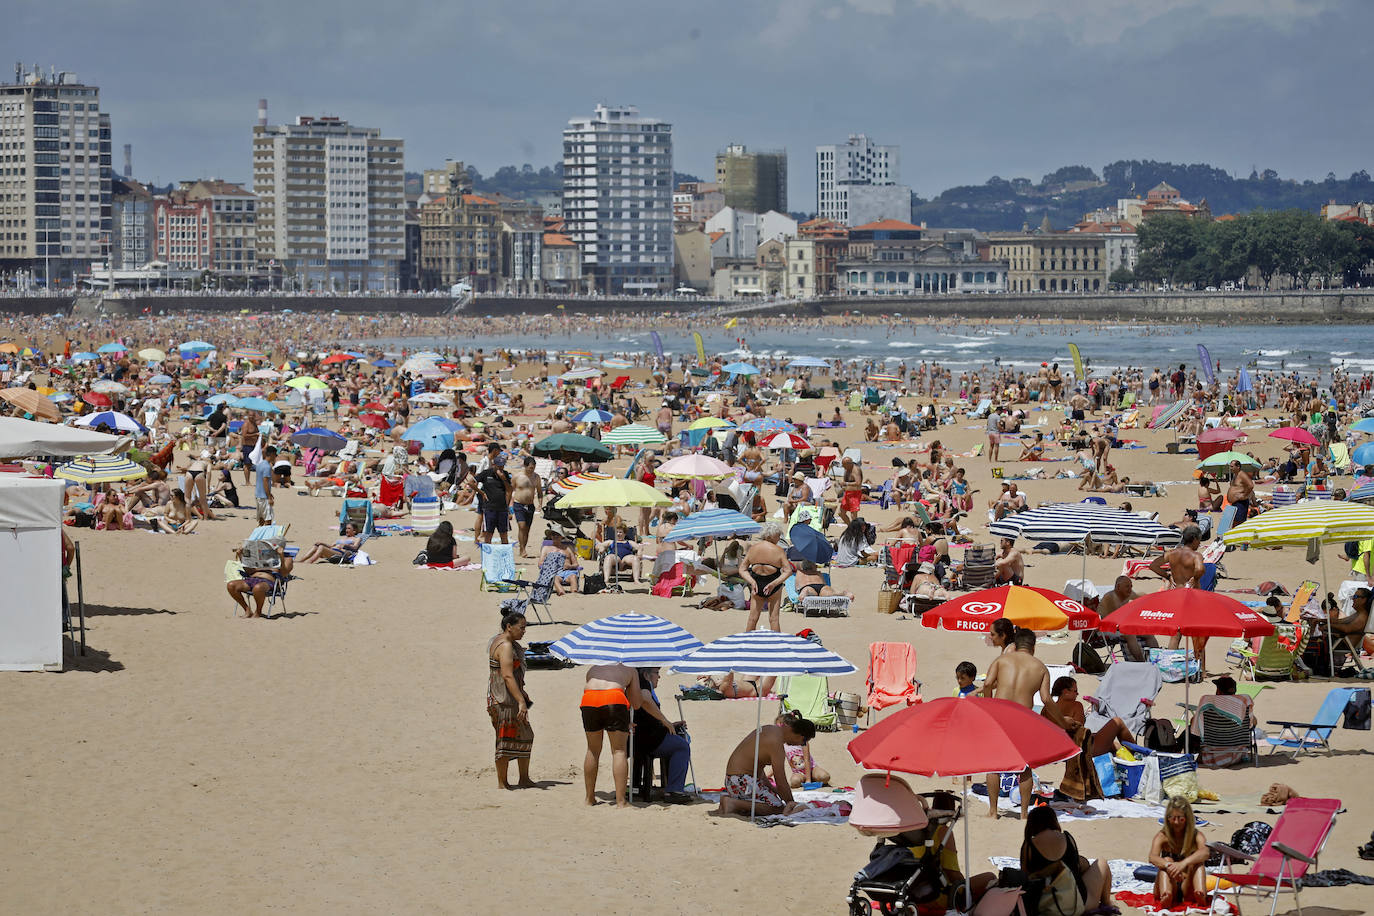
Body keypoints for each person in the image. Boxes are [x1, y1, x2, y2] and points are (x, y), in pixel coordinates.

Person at [983, 629, 1070, 819]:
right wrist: (1062, 722)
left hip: (1000, 713)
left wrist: (988, 705)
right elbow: (1046, 699)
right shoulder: (1040, 667)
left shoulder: (1001, 661)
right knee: (1025, 766)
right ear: (1033, 646)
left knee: (994, 765)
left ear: (1015, 644)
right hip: (1023, 717)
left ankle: (993, 811)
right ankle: (1023, 813)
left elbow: (988, 684)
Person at [1021, 805, 1116, 916]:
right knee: (1102, 863)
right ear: (1053, 821)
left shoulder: (1028, 845)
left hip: (1044, 906)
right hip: (1077, 905)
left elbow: (1025, 875)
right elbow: (1078, 865)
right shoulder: (1066, 838)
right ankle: (1107, 904)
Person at [715, 715, 815, 817]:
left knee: (771, 801)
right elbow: (780, 779)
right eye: (803, 742)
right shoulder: (777, 742)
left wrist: (772, 789)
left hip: (733, 781)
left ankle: (734, 802)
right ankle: (733, 804)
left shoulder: (771, 729)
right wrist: (792, 804)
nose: (800, 744)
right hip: (742, 781)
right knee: (778, 808)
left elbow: (757, 767)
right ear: (801, 737)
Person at [580, 659, 642, 808]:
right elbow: (637, 704)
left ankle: (589, 798)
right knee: (619, 751)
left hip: (589, 699)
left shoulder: (593, 668)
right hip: (614, 698)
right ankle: (621, 801)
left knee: (592, 750)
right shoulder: (630, 668)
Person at [1150, 525, 1208, 672]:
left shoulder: (1172, 554)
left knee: (1176, 634)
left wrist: (1168, 576)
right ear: (1194, 539)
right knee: (1198, 634)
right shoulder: (1196, 556)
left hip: (1177, 594)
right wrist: (1195, 578)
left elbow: (1153, 565)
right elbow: (1200, 569)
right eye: (1199, 540)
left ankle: (1168, 665)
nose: (1199, 543)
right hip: (1192, 596)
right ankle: (1201, 669)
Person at [488, 611, 535, 789]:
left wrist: (521, 695)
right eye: (521, 628)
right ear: (509, 627)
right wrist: (521, 701)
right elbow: (507, 676)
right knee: (504, 740)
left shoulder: (503, 641)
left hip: (508, 697)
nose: (524, 631)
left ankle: (524, 778)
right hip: (504, 700)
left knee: (525, 735)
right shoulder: (506, 646)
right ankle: (503, 782)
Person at [632, 667, 693, 804]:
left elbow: (647, 716)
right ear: (647, 674)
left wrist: (670, 724)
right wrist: (664, 721)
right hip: (647, 739)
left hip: (643, 736)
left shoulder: (636, 684)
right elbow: (645, 699)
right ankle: (673, 790)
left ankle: (670, 786)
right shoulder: (643, 684)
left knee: (678, 737)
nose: (659, 677)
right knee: (682, 746)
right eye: (657, 673)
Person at [1048, 676, 1133, 757]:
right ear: (1065, 692)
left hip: (1060, 750)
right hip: (1083, 750)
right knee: (1117, 722)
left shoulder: (1046, 709)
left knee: (1113, 744)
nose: (1077, 694)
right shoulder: (1076, 706)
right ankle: (1137, 752)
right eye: (1075, 691)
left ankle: (1131, 756)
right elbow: (1079, 733)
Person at [1149, 797, 1209, 908]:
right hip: (1168, 881)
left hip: (1187, 883)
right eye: (1173, 818)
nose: (1176, 822)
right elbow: (1152, 857)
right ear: (1168, 819)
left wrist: (1183, 864)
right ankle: (1166, 894)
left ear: (1187, 818)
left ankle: (1200, 893)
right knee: (1166, 860)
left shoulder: (1196, 835)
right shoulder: (1163, 836)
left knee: (1198, 863)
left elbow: (1205, 852)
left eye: (1180, 819)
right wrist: (1170, 866)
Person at [742, 522, 793, 632]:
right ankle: (777, 646)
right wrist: (774, 583)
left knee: (752, 618)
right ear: (771, 536)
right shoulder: (778, 550)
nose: (779, 537)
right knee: (774, 619)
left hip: (756, 584)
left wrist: (752, 582)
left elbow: (742, 569)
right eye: (778, 535)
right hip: (773, 584)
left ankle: (747, 644)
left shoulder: (753, 549)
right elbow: (788, 571)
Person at [1096, 575, 1157, 661]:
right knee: (1130, 634)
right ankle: (1141, 662)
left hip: (1118, 626)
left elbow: (1140, 596)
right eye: (1127, 586)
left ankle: (1157, 659)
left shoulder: (1126, 594)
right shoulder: (1110, 597)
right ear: (1118, 587)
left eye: (1131, 586)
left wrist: (1153, 598)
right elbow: (1117, 618)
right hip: (1104, 629)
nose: (1130, 589)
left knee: (1148, 633)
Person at [226, 542, 294, 619]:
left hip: (268, 581)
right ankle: (247, 610)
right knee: (231, 585)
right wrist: (241, 556)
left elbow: (284, 573)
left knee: (258, 588)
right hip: (252, 578)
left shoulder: (288, 559)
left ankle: (258, 612)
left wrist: (281, 556)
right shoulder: (259, 556)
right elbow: (249, 572)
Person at [767, 711, 832, 788]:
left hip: (812, 768)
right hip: (798, 772)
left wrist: (808, 781)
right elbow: (778, 762)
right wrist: (768, 775)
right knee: (794, 782)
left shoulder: (801, 740)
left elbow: (806, 759)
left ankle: (812, 778)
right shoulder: (782, 743)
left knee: (824, 777)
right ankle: (809, 779)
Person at [510, 456, 542, 558]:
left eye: (533, 468)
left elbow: (540, 492)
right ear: (525, 466)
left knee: (527, 529)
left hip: (530, 505)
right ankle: (522, 549)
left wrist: (540, 504)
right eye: (530, 468)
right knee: (522, 526)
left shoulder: (536, 477)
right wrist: (509, 505)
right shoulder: (517, 476)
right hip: (518, 503)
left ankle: (523, 547)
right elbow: (510, 490)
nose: (532, 470)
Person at [475, 454, 512, 544]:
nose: (500, 468)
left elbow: (509, 490)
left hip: (502, 508)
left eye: (502, 465)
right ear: (494, 465)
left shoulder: (505, 474)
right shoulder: (486, 473)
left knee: (504, 534)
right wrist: (481, 493)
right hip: (489, 508)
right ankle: (487, 556)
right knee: (488, 534)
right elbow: (471, 482)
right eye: (499, 466)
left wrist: (503, 479)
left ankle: (505, 556)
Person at [1226, 459, 1254, 524]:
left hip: (1241, 503)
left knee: (1239, 522)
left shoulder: (1242, 474)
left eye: (1232, 466)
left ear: (1238, 467)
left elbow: (1251, 485)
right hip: (1235, 502)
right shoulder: (1235, 475)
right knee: (1234, 522)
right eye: (1230, 466)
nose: (1230, 468)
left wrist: (1244, 495)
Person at [253, 445, 276, 525]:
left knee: (262, 519)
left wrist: (269, 493)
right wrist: (269, 497)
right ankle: (265, 537)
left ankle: (258, 535)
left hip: (258, 495)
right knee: (268, 519)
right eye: (275, 455)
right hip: (264, 497)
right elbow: (265, 482)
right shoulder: (267, 467)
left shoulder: (260, 465)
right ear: (272, 454)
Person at [838, 455, 864, 526]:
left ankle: (855, 531)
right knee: (841, 513)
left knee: (853, 515)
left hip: (855, 494)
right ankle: (850, 527)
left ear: (849, 463)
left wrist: (846, 483)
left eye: (844, 465)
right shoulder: (847, 470)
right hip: (847, 494)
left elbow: (858, 483)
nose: (843, 467)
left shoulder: (855, 470)